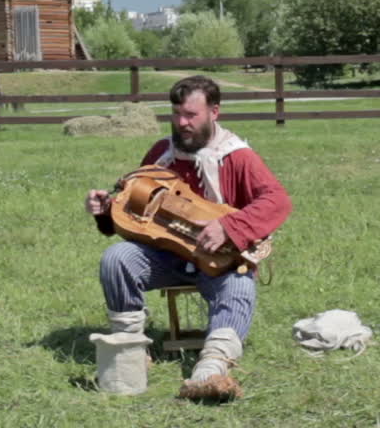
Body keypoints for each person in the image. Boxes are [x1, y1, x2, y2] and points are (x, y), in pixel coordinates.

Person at [85, 74, 292, 400]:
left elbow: (277, 201)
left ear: (214, 112)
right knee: (116, 258)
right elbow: (140, 218)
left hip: (220, 261)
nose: (182, 123)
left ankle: (212, 368)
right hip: (165, 257)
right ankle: (130, 351)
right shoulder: (161, 153)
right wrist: (105, 210)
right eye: (176, 114)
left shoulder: (236, 156)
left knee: (240, 283)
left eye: (191, 115)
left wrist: (229, 227)